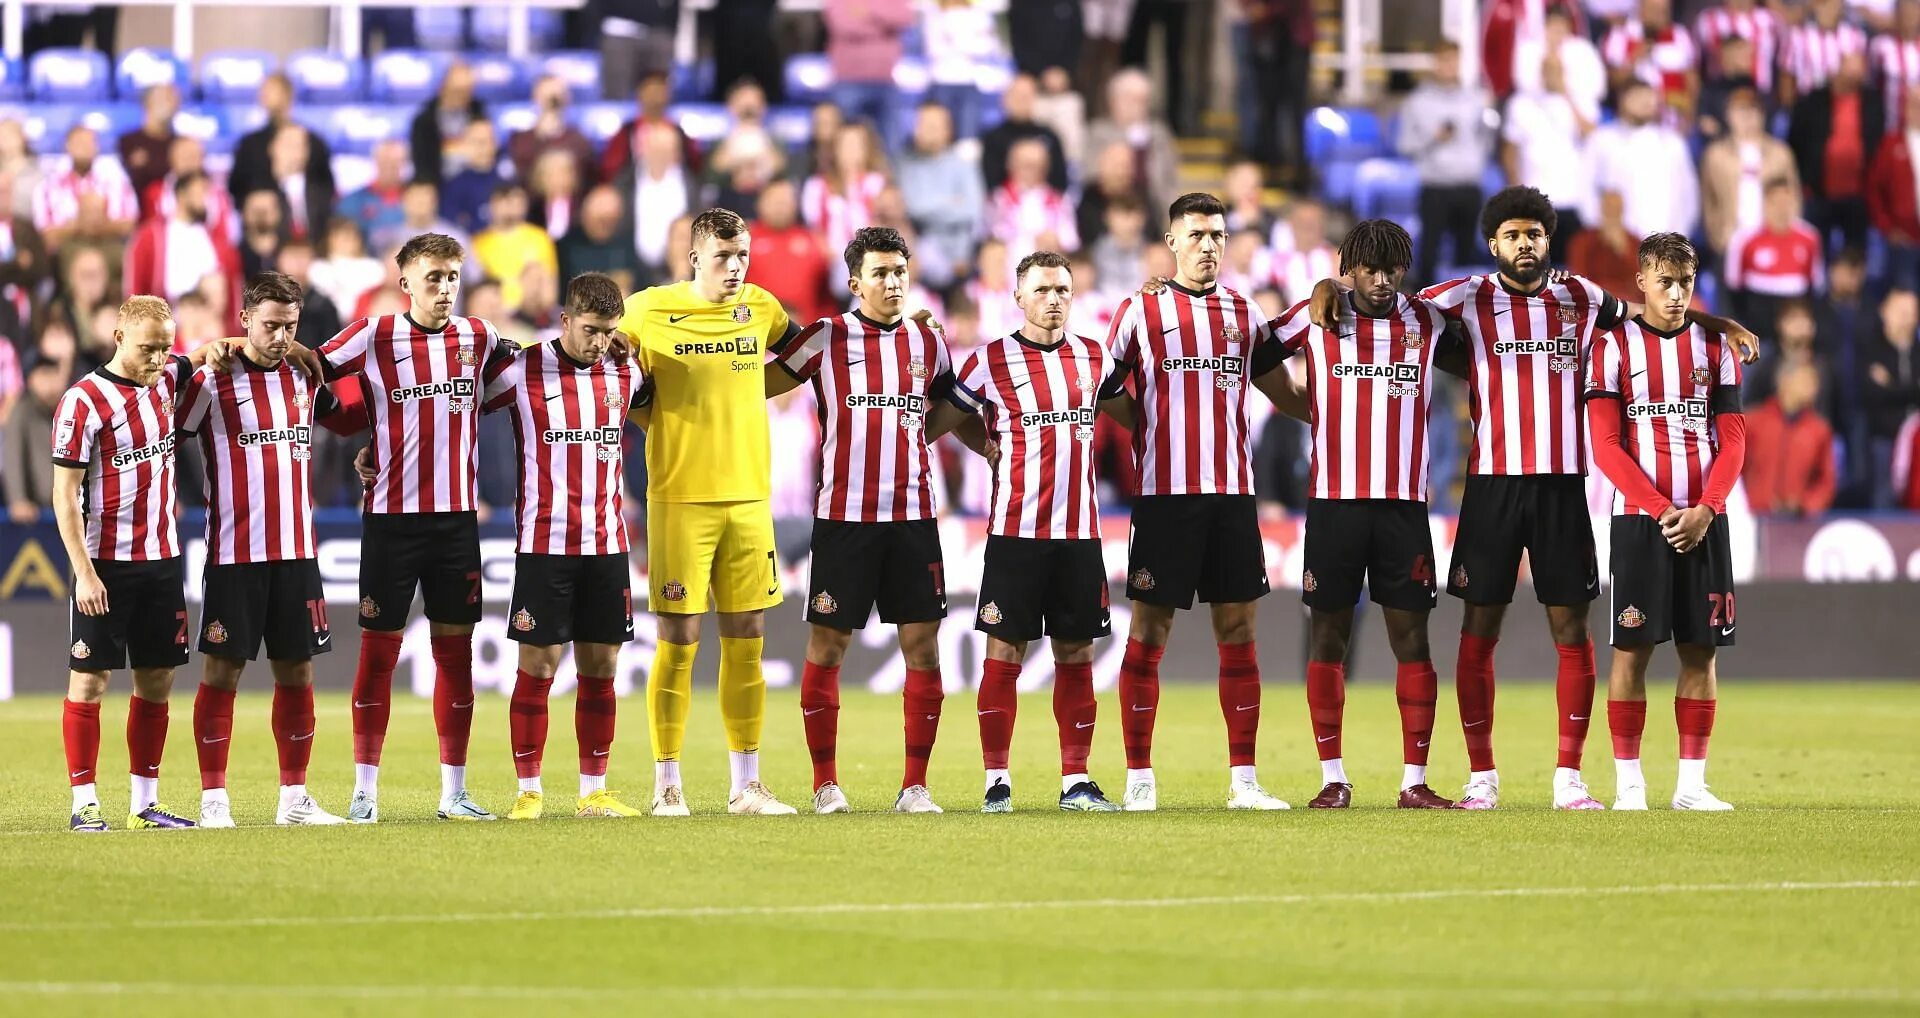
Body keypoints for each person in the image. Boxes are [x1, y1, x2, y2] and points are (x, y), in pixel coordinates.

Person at [1312, 185, 1758, 810]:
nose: (1525, 244)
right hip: (1491, 485)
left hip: (1561, 485)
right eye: (1513, 235)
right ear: (1493, 243)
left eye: (1535, 234)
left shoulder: (1582, 296)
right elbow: (1384, 297)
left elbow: (1653, 310)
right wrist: (1326, 286)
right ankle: (1482, 778)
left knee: (1571, 629)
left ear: (1548, 239)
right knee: (1479, 628)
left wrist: (1719, 324)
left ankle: (1568, 779)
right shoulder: (1464, 296)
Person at [767, 227, 981, 815]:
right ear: (855, 283)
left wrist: (989, 446)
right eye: (880, 274)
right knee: (828, 644)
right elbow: (764, 383)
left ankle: (915, 787)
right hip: (845, 517)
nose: (892, 283)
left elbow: (951, 406)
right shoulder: (826, 337)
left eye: (899, 272)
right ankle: (825, 784)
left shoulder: (928, 341)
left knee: (923, 647)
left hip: (914, 517)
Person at [1104, 193, 1301, 813]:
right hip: (1164, 496)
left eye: (1217, 234)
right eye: (1196, 234)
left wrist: (1344, 412)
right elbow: (1105, 385)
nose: (1208, 245)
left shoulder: (1245, 313)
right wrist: (1146, 425)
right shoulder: (1140, 309)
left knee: (1238, 631)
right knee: (1149, 630)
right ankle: (1140, 777)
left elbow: (1282, 390)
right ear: (1171, 241)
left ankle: (1244, 781)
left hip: (1232, 496)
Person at [318, 233, 518, 823]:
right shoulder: (373, 334)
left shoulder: (479, 337)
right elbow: (308, 367)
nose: (445, 288)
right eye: (433, 277)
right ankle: (364, 792)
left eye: (453, 276)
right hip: (391, 521)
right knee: (378, 656)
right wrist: (363, 438)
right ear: (405, 281)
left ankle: (454, 791)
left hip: (456, 522)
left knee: (455, 658)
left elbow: (530, 374)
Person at [928, 250, 1134, 813]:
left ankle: (1076, 780)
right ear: (1018, 297)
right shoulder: (990, 361)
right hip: (1014, 532)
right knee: (1004, 650)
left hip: (1079, 534)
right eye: (1041, 290)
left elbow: (1135, 417)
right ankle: (997, 781)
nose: (1053, 299)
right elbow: (938, 421)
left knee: (1076, 651)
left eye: (1062, 289)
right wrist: (986, 445)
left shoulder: (1094, 358)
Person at [616, 208, 802, 817]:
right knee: (679, 640)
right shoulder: (648, 310)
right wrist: (645, 412)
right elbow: (608, 368)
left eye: (742, 254)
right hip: (679, 498)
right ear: (695, 256)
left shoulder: (761, 307)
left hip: (749, 498)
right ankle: (667, 783)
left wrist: (750, 387)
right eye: (723, 256)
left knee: (747, 639)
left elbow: (804, 357)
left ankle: (746, 784)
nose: (735, 266)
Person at [1269, 220, 1454, 810]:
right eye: (1369, 269)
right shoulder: (1316, 315)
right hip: (1334, 505)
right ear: (1349, 268)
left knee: (1412, 638)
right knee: (1329, 635)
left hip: (1404, 508)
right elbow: (1254, 353)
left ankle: (1414, 781)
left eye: (1390, 269)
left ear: (1403, 268)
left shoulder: (1429, 320)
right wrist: (1304, 406)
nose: (1380, 280)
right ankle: (1333, 777)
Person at [471, 273, 648, 820]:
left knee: (601, 668)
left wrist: (628, 343)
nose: (599, 342)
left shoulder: (628, 370)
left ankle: (594, 791)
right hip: (544, 544)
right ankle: (529, 791)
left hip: (608, 543)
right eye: (590, 330)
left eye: (609, 331)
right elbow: (456, 409)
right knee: (538, 666)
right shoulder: (521, 370)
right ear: (565, 319)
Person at [1584, 232, 1747, 812]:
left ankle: (1691, 787)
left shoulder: (1716, 349)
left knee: (1701, 650)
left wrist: (1707, 509)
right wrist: (1662, 511)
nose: (1677, 294)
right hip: (1639, 522)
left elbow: (1733, 442)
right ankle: (1630, 785)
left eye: (1686, 283)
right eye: (1665, 283)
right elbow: (1606, 446)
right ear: (1642, 283)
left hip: (1706, 520)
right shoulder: (1612, 348)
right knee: (1632, 651)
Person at [177, 273, 347, 828]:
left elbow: (349, 415)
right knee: (221, 672)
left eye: (290, 326)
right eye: (271, 325)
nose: (280, 337)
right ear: (245, 318)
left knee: (296, 672)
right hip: (235, 553)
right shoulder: (212, 380)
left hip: (297, 552)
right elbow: (162, 430)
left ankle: (294, 799)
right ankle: (213, 801)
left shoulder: (303, 375)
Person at [52, 297, 214, 831]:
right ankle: (84, 805)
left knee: (157, 679)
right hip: (105, 563)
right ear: (119, 336)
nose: (159, 358)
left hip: (162, 560)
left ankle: (144, 804)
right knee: (90, 679)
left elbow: (208, 353)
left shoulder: (167, 378)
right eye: (149, 348)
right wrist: (84, 573)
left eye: (166, 347)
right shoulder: (83, 401)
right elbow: (64, 495)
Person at [1398, 41, 1496, 277]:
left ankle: (1466, 300)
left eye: (1454, 60)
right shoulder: (1417, 101)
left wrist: (1477, 159)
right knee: (1429, 255)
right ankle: (1424, 298)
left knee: (1467, 256)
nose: (1449, 66)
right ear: (1436, 63)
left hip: (1468, 185)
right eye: (1444, 60)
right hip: (1436, 187)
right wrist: (1434, 138)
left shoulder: (1476, 99)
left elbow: (1487, 137)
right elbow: (1404, 145)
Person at [1787, 49, 1883, 251]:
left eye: (1859, 69)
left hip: (1858, 195)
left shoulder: (1873, 102)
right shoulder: (1812, 102)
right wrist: (1805, 182)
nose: (1855, 74)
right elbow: (1796, 142)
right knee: (1816, 251)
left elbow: (1877, 145)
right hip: (1818, 193)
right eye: (1850, 68)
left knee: (1854, 255)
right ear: (1836, 69)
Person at [123, 171, 243, 325]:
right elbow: (135, 287)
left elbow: (232, 294)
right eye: (201, 193)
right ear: (182, 195)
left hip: (209, 325)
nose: (206, 200)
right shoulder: (150, 237)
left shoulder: (219, 243)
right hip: (163, 322)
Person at [1585, 80, 1700, 240]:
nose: (1646, 102)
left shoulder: (1672, 144)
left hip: (1664, 242)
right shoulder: (1602, 140)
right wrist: (1601, 229)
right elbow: (1586, 188)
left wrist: (1679, 236)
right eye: (1638, 96)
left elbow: (1688, 193)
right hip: (1616, 241)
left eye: (1650, 97)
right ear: (1622, 100)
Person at [1701, 88, 1801, 259]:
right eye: (1740, 111)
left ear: (1762, 115)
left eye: (1752, 110)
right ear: (1729, 115)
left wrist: (1787, 232)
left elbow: (1794, 196)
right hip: (1731, 240)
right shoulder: (1716, 155)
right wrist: (1717, 235)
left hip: (1772, 241)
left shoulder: (1780, 154)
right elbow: (1708, 200)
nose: (1746, 117)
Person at [896, 103, 984, 292]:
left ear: (948, 129)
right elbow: (913, 207)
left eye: (935, 125)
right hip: (919, 252)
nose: (929, 131)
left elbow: (972, 210)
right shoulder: (905, 164)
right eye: (924, 125)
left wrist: (930, 206)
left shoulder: (963, 165)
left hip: (960, 255)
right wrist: (951, 203)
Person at [229, 74, 335, 226]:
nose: (264, 96)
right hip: (261, 226)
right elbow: (237, 189)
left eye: (271, 91)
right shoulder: (249, 145)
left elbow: (326, 187)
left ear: (288, 95)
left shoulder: (313, 142)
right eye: (263, 92)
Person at [1723, 177, 1825, 326]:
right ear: (1764, 203)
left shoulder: (1810, 238)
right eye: (1776, 203)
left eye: (1786, 202)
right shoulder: (1743, 240)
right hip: (1758, 314)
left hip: (1796, 312)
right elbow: (1733, 286)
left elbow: (1816, 286)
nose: (1782, 209)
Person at [1743, 361, 1837, 515]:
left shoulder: (1819, 430)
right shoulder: (1752, 423)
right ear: (1785, 381)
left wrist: (1806, 505)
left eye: (1815, 383)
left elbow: (1825, 482)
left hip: (1798, 521)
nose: (1814, 388)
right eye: (1806, 381)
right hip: (1753, 516)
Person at [1086, 69, 1180, 221]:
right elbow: (1090, 173)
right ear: (1114, 101)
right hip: (1109, 209)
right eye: (1131, 100)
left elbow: (1169, 176)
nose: (1138, 106)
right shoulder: (1099, 132)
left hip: (1153, 207)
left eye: (1143, 100)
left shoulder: (1159, 133)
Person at [822, 0, 915, 149]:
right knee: (846, 144)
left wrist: (868, 10)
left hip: (886, 80)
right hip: (848, 81)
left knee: (891, 145)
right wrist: (883, 28)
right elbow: (841, 23)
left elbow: (903, 17)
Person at [32, 126, 139, 252]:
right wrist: (93, 225)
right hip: (65, 251)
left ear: (97, 147)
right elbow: (47, 233)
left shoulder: (117, 182)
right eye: (78, 142)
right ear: (67, 146)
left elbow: (129, 225)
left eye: (88, 142)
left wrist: (75, 227)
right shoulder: (48, 186)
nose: (83, 147)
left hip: (110, 247)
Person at [1601, 0, 1701, 115]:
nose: (1661, 16)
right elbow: (1613, 81)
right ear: (1641, 8)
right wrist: (1636, 58)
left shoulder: (1680, 35)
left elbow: (1692, 81)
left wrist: (1689, 116)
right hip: (1633, 119)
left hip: (1673, 116)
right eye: (1655, 10)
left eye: (1664, 11)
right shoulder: (1619, 35)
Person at [474, 183, 559, 314]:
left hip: (532, 313)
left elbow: (550, 287)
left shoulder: (540, 238)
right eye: (504, 200)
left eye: (517, 201)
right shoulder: (478, 243)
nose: (511, 207)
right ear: (492, 204)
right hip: (494, 314)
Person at [979, 74, 1070, 194]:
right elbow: (990, 182)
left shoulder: (1050, 136)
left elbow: (1060, 182)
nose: (1021, 101)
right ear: (1004, 99)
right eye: (1016, 95)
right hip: (1005, 201)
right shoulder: (992, 138)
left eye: (1026, 96)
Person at [987, 137, 1079, 256]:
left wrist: (1056, 242)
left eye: (1037, 165)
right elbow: (988, 238)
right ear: (1011, 166)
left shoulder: (1059, 202)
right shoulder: (997, 200)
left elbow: (1071, 243)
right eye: (1026, 165)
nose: (1031, 171)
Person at [506, 75, 595, 189]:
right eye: (546, 98)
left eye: (556, 99)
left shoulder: (580, 142)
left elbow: (589, 182)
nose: (552, 104)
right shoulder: (521, 142)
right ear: (535, 98)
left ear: (567, 99)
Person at [408, 62, 486, 188]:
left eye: (467, 91)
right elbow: (422, 164)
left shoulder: (480, 114)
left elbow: (487, 154)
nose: (462, 96)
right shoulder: (424, 121)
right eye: (457, 91)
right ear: (443, 87)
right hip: (437, 185)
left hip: (474, 185)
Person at [1782, 0, 1869, 104]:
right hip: (1807, 104)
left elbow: (1861, 77)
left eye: (1833, 4)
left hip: (1843, 103)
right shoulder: (1798, 37)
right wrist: (1790, 107)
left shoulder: (1855, 37)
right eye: (1824, 4)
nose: (1828, 9)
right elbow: (1787, 78)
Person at [334, 139, 409, 249]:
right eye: (385, 161)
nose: (389, 167)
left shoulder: (416, 200)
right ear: (376, 161)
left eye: (395, 163)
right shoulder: (352, 201)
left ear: (404, 164)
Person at [119, 83, 179, 220]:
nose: (172, 103)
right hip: (137, 219)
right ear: (147, 102)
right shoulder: (128, 142)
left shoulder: (180, 144)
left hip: (173, 220)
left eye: (174, 99)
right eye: (165, 98)